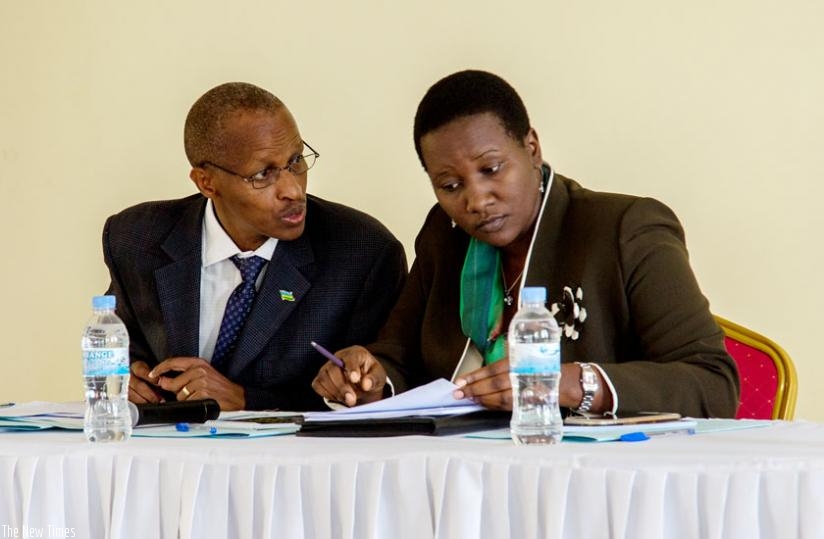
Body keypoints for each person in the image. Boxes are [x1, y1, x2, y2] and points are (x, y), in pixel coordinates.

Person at [312, 70, 739, 418]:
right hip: (463, 473)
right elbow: (399, 356)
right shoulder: (445, 235)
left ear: (532, 148)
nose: (476, 200)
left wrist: (570, 383)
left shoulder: (626, 229)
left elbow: (713, 383)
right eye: (450, 184)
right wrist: (366, 379)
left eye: (492, 169)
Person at [103, 82, 407, 411]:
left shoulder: (361, 253)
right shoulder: (137, 238)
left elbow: (370, 394)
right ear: (206, 182)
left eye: (295, 162)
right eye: (263, 174)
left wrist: (245, 401)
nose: (293, 190)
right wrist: (122, 377)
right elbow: (119, 344)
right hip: (168, 454)